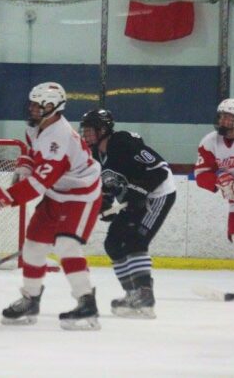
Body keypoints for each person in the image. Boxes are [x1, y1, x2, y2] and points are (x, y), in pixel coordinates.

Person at [0, 82, 102, 330]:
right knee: (33, 245)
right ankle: (30, 299)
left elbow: (37, 186)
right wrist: (23, 165)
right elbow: (32, 152)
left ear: (53, 107)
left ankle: (87, 303)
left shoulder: (60, 139)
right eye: (31, 104)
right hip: (57, 193)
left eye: (37, 105)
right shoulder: (36, 127)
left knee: (66, 245)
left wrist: (0, 199)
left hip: (81, 194)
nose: (31, 109)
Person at [80, 108, 176, 319]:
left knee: (135, 240)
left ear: (103, 129)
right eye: (84, 131)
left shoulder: (123, 142)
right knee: (113, 243)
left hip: (158, 193)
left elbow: (159, 170)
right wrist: (105, 205)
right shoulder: (95, 155)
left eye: (89, 130)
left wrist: (140, 191)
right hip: (133, 198)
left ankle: (145, 295)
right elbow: (106, 186)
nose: (85, 135)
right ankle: (132, 294)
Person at [194, 98, 234, 281]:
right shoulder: (210, 142)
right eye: (221, 117)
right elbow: (201, 174)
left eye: (229, 118)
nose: (223, 121)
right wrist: (218, 180)